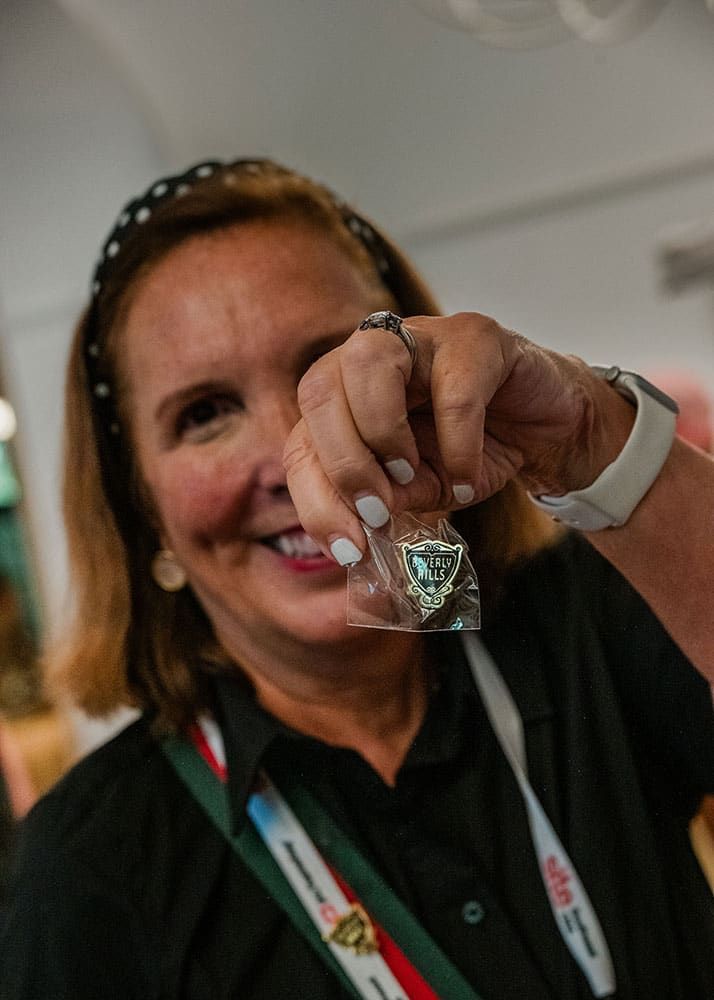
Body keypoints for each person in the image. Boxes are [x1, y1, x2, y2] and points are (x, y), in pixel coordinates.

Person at [1, 158, 712, 1000]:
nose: (295, 461)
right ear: (144, 513)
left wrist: (591, 436)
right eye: (205, 414)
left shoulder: (584, 620)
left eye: (332, 371)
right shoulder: (91, 869)